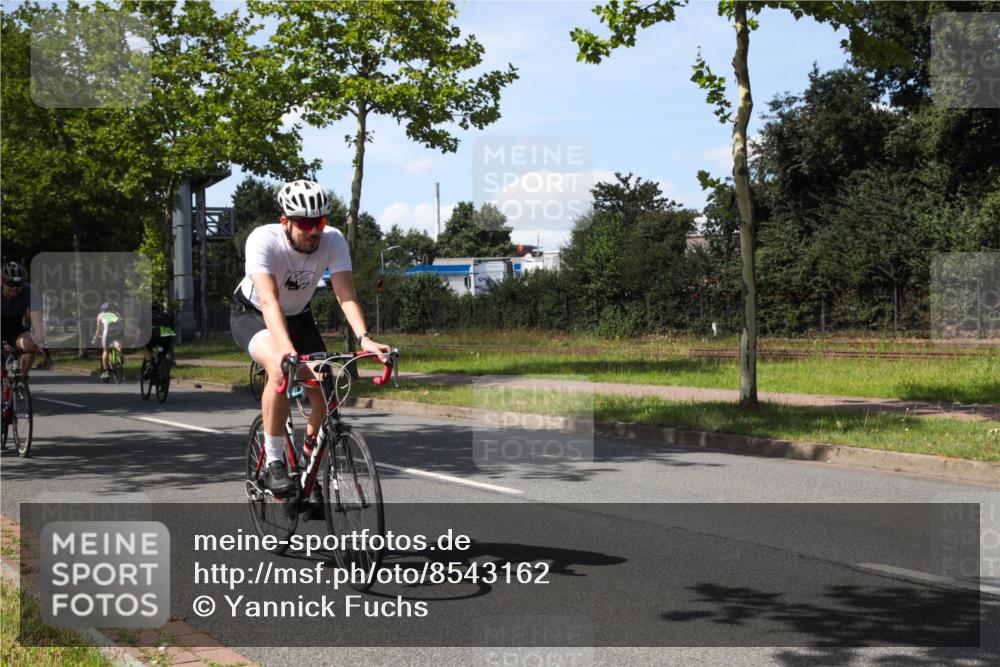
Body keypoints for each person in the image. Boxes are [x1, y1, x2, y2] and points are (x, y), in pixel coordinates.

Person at [231, 179, 390, 498]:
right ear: (285, 222)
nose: (314, 230)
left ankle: (307, 470)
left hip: (299, 317)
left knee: (324, 394)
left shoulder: (333, 240)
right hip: (253, 313)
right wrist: (286, 350)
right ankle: (274, 464)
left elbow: (346, 295)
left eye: (319, 221)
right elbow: (268, 300)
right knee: (280, 366)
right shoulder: (263, 240)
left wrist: (364, 338)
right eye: (305, 223)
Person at [1, 261, 45, 379]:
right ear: (2, 280)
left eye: (18, 284)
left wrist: (40, 341)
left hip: (15, 327)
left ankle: (21, 380)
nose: (15, 288)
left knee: (31, 345)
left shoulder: (29, 290)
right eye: (10, 284)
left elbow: (36, 317)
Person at [91, 302, 124, 381]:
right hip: (118, 331)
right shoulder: (116, 313)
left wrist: (94, 339)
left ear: (102, 309)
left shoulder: (100, 315)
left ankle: (106, 372)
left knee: (105, 351)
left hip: (107, 332)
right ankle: (119, 354)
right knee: (117, 341)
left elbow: (98, 330)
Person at [143, 302, 176, 370]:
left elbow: (140, 331)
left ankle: (149, 365)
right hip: (167, 335)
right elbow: (172, 329)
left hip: (154, 334)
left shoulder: (146, 316)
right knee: (163, 351)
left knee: (147, 347)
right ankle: (166, 364)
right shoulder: (166, 315)